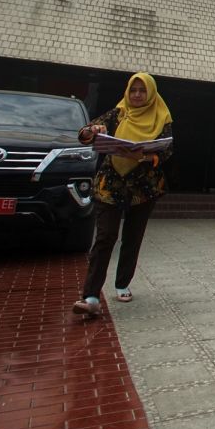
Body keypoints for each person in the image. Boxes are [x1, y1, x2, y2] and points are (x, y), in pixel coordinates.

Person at [72, 72, 173, 317]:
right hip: (112, 184)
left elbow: (167, 150)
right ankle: (91, 296)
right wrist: (91, 130)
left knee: (133, 237)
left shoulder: (161, 117)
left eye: (142, 91)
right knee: (105, 236)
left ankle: (122, 283)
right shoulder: (118, 114)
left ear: (151, 93)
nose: (137, 95)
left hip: (143, 187)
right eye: (133, 90)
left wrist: (147, 155)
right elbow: (86, 135)